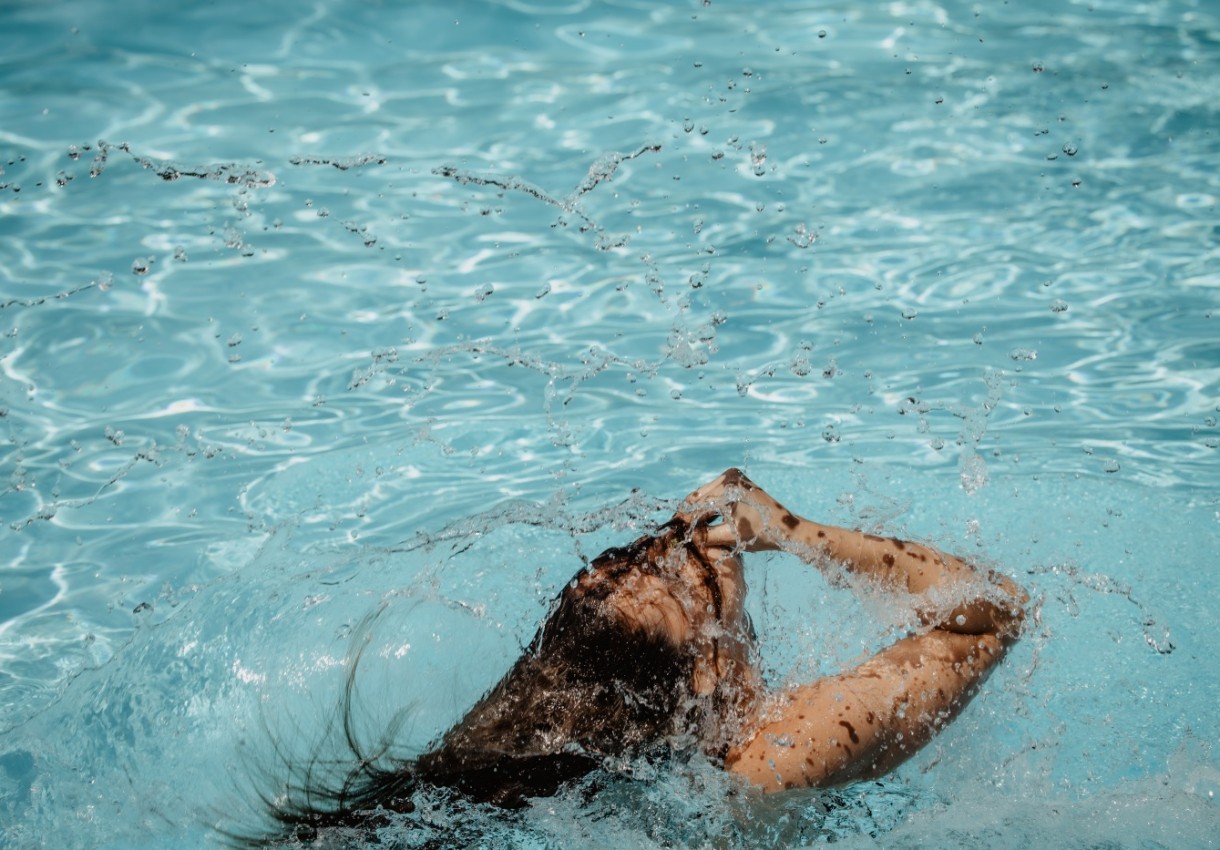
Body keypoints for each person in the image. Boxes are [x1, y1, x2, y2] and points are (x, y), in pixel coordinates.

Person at [248, 469, 1026, 843]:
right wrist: (793, 531)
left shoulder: (502, 771)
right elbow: (989, 617)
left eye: (643, 550)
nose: (684, 546)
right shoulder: (759, 761)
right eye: (682, 575)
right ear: (708, 678)